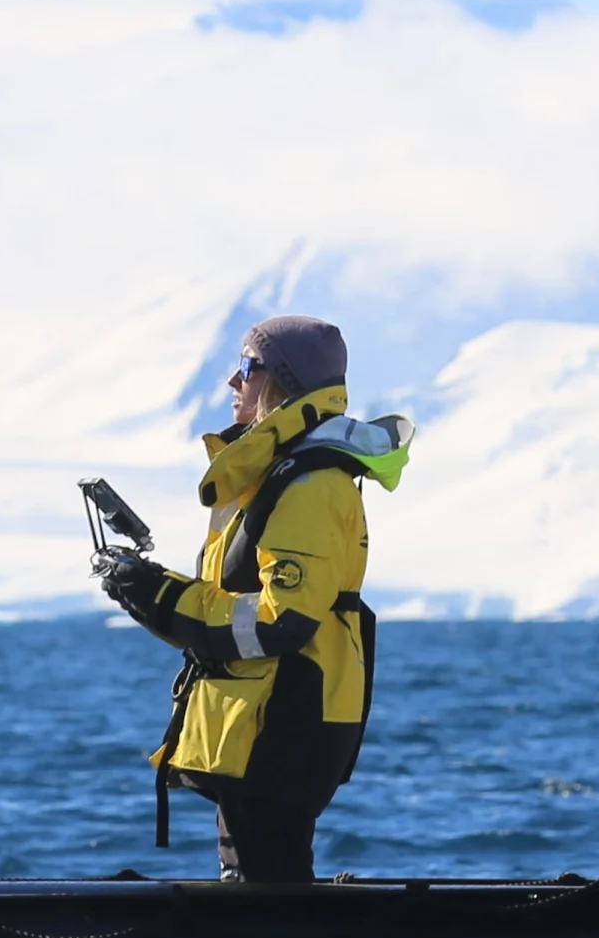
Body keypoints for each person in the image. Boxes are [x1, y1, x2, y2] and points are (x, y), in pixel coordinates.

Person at [102, 316, 410, 882]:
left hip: (286, 718)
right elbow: (233, 608)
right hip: (263, 717)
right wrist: (147, 595)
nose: (232, 383)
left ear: (282, 382)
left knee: (267, 889)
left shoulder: (311, 485)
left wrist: (163, 596)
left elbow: (279, 620)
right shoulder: (275, 475)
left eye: (246, 368)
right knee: (257, 879)